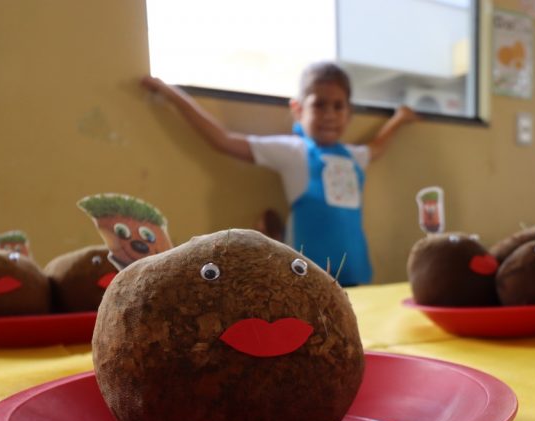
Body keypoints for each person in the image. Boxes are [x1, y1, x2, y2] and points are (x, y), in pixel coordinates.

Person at [141, 62, 417, 285]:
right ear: (298, 109)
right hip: (306, 277)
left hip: (357, 274)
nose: (330, 114)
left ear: (349, 113)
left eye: (338, 106)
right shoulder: (292, 152)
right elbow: (223, 140)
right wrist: (170, 93)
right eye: (319, 104)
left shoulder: (355, 156)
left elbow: (378, 145)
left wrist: (399, 120)